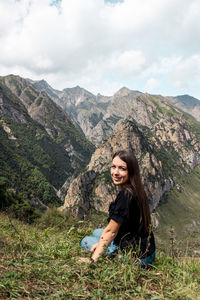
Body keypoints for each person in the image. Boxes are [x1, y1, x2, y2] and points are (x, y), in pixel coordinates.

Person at [80, 149, 156, 267]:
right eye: (113, 167)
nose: (115, 172)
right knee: (97, 232)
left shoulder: (125, 195)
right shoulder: (137, 189)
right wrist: (101, 242)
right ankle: (108, 247)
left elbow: (111, 231)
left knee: (85, 241)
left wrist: (93, 260)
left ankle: (113, 255)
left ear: (131, 171)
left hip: (137, 258)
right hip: (148, 251)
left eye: (122, 169)